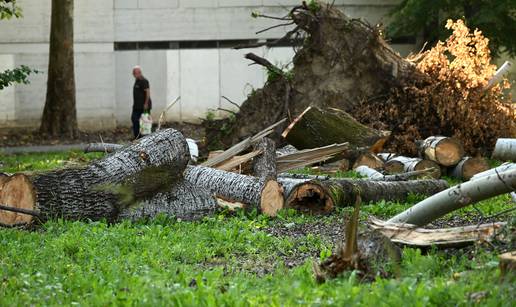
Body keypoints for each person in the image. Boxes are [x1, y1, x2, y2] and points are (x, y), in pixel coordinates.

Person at [131, 66, 152, 139]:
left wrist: (146, 103)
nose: (134, 74)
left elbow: (147, 92)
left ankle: (146, 138)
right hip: (136, 106)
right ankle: (137, 137)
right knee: (135, 120)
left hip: (143, 107)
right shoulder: (137, 80)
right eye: (134, 73)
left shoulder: (144, 81)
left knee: (145, 122)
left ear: (140, 73)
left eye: (136, 73)